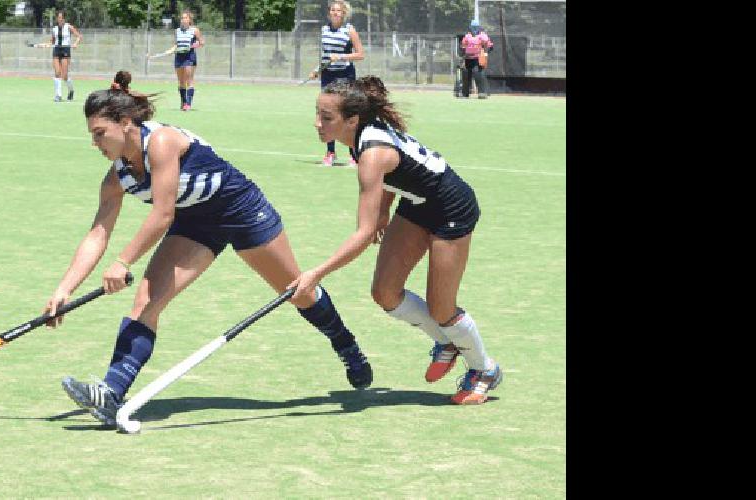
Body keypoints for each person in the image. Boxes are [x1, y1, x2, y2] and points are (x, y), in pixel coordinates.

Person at [46, 71, 373, 427]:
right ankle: (111, 392)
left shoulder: (161, 142)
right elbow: (98, 233)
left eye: (99, 134)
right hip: (195, 222)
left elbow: (162, 212)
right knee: (145, 301)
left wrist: (123, 261)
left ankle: (345, 344)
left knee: (296, 290)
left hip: (241, 210)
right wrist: (64, 290)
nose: (95, 143)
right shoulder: (116, 177)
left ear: (125, 123)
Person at [291, 76, 503, 405]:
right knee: (385, 292)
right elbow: (398, 171)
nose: (317, 124)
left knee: (442, 307)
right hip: (417, 204)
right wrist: (385, 210)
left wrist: (315, 274)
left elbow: (363, 235)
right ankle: (447, 343)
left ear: (352, 120)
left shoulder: (370, 156)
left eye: (326, 118)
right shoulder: (360, 137)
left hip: (452, 208)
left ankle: (484, 370)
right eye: (317, 114)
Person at [309, 0, 363, 167]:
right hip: (328, 76)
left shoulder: (349, 30)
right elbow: (325, 55)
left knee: (347, 113)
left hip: (345, 75)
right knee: (327, 112)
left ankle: (354, 154)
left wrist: (341, 57)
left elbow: (360, 54)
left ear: (343, 13)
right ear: (329, 13)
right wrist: (317, 70)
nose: (335, 13)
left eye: (338, 11)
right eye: (332, 10)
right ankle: (330, 153)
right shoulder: (324, 30)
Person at [148, 10, 205, 111]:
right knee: (181, 81)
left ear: (189, 20)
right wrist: (170, 51)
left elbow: (202, 42)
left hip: (190, 57)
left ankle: (188, 104)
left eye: (185, 18)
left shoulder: (195, 30)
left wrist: (195, 45)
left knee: (189, 81)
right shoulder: (177, 31)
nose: (183, 20)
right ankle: (183, 102)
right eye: (182, 18)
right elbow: (176, 45)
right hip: (179, 57)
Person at [40, 10, 82, 102]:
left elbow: (79, 36)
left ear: (64, 18)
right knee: (57, 73)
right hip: (56, 50)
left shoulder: (69, 27)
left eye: (61, 18)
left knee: (65, 76)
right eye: (59, 18)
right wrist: (46, 44)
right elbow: (52, 41)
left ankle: (71, 90)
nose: (60, 20)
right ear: (57, 19)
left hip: (65, 50)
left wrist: (75, 44)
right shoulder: (54, 29)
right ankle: (58, 95)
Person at [460, 20, 493, 99]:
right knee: (465, 74)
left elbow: (489, 46)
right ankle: (465, 93)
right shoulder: (467, 36)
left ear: (479, 27)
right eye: (473, 27)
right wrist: (463, 56)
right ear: (470, 27)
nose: (474, 29)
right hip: (468, 59)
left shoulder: (483, 36)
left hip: (478, 59)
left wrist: (485, 53)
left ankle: (482, 92)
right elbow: (463, 47)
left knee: (478, 73)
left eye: (476, 27)